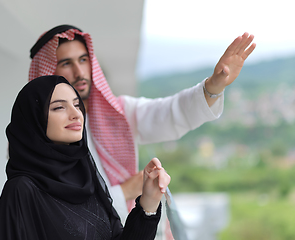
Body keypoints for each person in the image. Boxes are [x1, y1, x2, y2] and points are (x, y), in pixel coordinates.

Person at [29, 25, 256, 224]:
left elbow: (170, 112)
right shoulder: (33, 141)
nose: (79, 72)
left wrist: (214, 86)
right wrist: (126, 191)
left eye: (83, 60)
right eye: (66, 63)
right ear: (48, 72)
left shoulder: (118, 113)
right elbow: (58, 214)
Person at [0, 75, 171, 240]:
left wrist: (149, 202)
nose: (76, 114)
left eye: (77, 105)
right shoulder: (21, 190)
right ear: (34, 120)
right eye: (59, 107)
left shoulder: (86, 178)